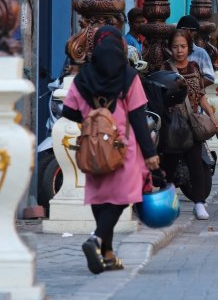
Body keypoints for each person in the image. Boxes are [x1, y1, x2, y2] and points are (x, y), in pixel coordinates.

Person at [62, 26, 160, 274]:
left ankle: (107, 253)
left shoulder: (83, 78)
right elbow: (138, 118)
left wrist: (91, 119)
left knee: (101, 197)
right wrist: (150, 154)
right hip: (121, 148)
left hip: (92, 147)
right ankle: (95, 240)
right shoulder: (128, 76)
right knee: (123, 198)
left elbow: (68, 111)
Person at [161, 29, 218, 220]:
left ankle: (199, 203)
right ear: (170, 48)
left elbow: (201, 96)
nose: (179, 50)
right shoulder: (165, 68)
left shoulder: (194, 67)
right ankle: (166, 202)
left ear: (189, 48)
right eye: (176, 47)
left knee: (197, 164)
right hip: (172, 125)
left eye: (183, 46)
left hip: (191, 123)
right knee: (168, 164)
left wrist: (212, 116)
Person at [176, 15, 215, 87]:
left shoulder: (201, 53)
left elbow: (210, 78)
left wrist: (189, 86)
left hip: (194, 96)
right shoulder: (173, 51)